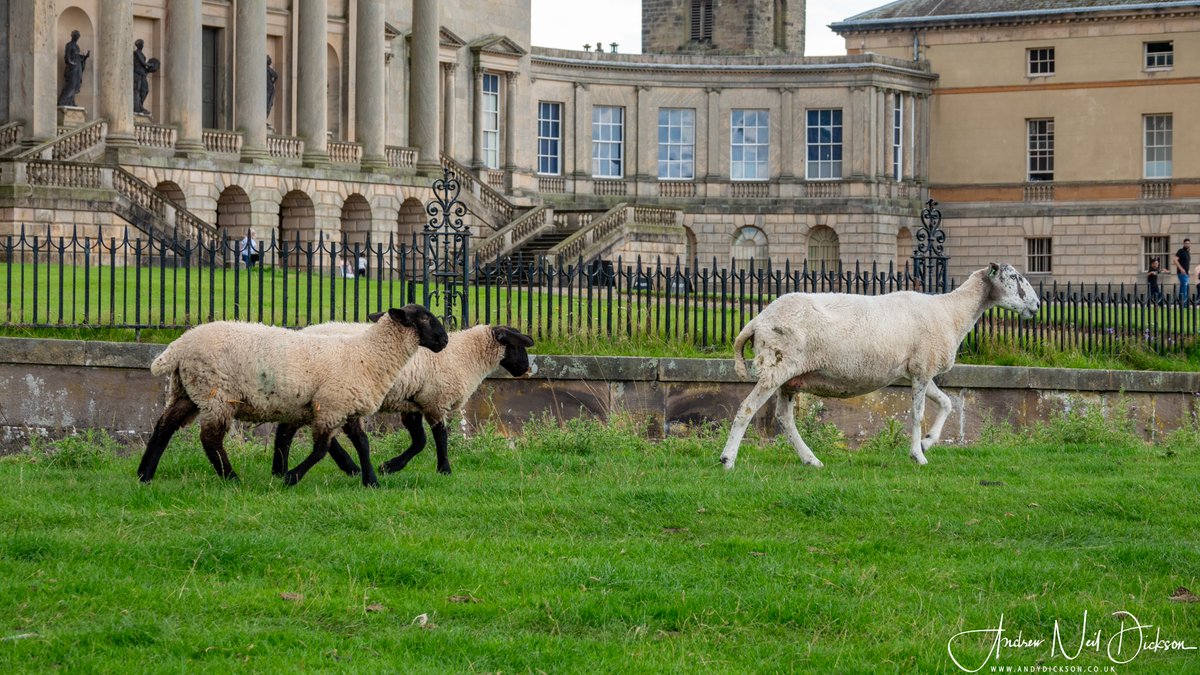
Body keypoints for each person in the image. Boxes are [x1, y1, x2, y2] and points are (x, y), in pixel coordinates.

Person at [58, 30, 90, 107]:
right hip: (72, 67)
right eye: (76, 36)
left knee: (76, 84)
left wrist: (85, 57)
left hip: (78, 66)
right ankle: (63, 101)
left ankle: (71, 102)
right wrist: (70, 62)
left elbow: (79, 57)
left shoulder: (77, 46)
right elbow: (67, 55)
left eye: (78, 37)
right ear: (73, 36)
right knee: (71, 84)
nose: (77, 38)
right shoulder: (69, 45)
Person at [133, 39, 159, 115]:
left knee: (145, 90)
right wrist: (150, 65)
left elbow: (144, 66)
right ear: (139, 45)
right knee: (137, 90)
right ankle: (137, 107)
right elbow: (143, 63)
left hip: (143, 74)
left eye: (143, 44)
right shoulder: (136, 53)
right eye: (142, 44)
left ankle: (140, 105)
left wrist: (151, 68)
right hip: (137, 74)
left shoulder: (141, 53)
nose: (143, 45)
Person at [1173, 238, 1191, 304]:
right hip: (1182, 273)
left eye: (1188, 243)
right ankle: (1184, 304)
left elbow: (1186, 263)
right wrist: (1181, 269)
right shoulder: (1181, 251)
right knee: (1184, 288)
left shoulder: (1187, 252)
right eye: (1186, 243)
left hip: (1185, 273)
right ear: (1183, 244)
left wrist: (1188, 270)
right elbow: (1175, 260)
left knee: (1183, 287)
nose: (1187, 244)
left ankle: (1181, 303)